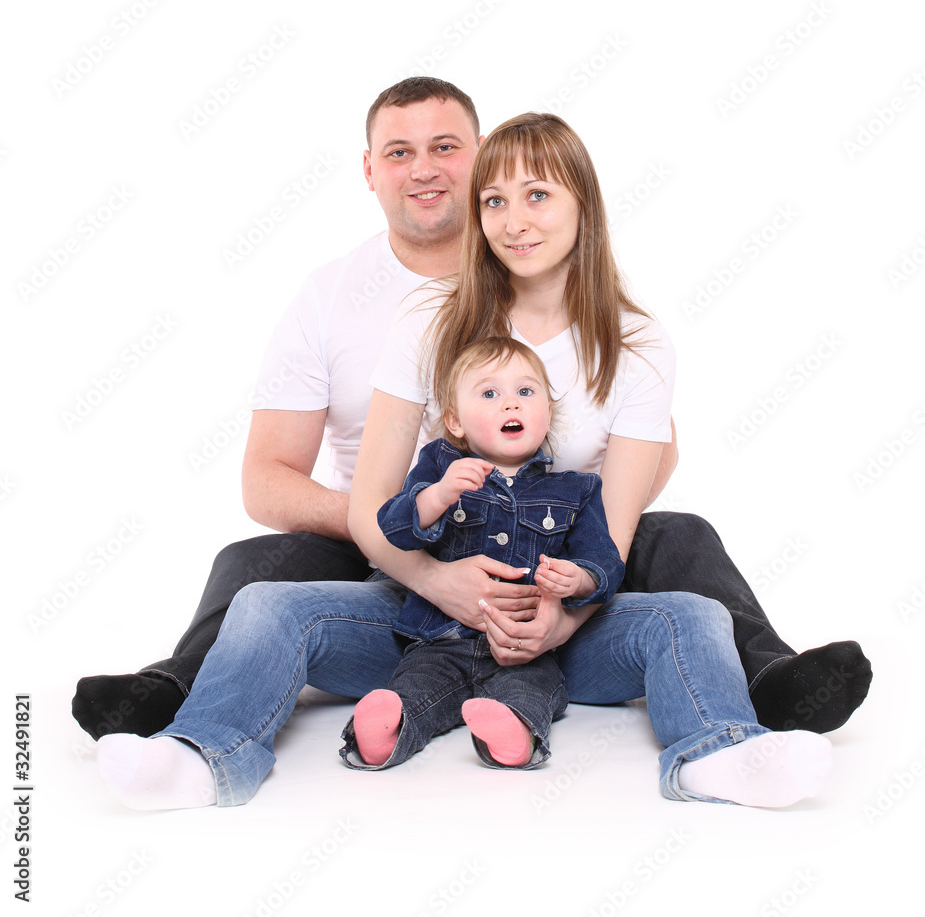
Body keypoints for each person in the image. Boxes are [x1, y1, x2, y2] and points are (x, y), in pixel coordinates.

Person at [73, 76, 870, 746]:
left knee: (685, 538)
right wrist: (415, 552)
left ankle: (769, 680)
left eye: (449, 150)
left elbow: (639, 471)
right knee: (252, 568)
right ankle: (173, 694)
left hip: (566, 544)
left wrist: (560, 577)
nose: (510, 216)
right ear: (370, 169)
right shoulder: (378, 307)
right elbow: (294, 483)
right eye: (401, 152)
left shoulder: (615, 327)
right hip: (414, 535)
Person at [342, 336, 624, 771]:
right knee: (417, 685)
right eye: (490, 393)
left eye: (525, 392)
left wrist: (581, 579)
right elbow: (393, 528)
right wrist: (437, 496)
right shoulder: (440, 467)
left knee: (530, 689)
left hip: (523, 645)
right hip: (441, 638)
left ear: (547, 414)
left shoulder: (575, 489)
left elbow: (604, 560)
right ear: (455, 421)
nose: (511, 404)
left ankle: (511, 732)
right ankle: (385, 729)